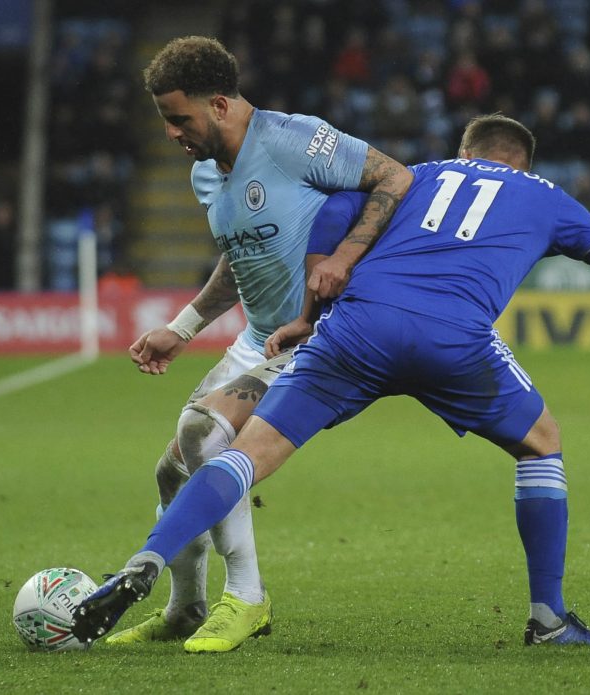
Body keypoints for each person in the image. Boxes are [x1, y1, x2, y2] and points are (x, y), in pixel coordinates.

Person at [73, 114, 590, 646]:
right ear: (520, 163)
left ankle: (149, 559)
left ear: (465, 150)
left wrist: (309, 315)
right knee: (540, 440)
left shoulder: (412, 175)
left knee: (246, 454)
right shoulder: (544, 197)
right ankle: (548, 616)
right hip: (454, 338)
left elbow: (333, 223)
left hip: (357, 328)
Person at [99, 36, 413, 653]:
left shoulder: (292, 139)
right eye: (164, 121)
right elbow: (240, 256)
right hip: (256, 340)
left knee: (202, 435)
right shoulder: (205, 175)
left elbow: (394, 177)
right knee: (171, 472)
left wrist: (345, 258)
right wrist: (183, 328)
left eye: (178, 118)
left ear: (219, 105)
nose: (171, 133)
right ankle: (186, 608)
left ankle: (245, 598)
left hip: (318, 336)